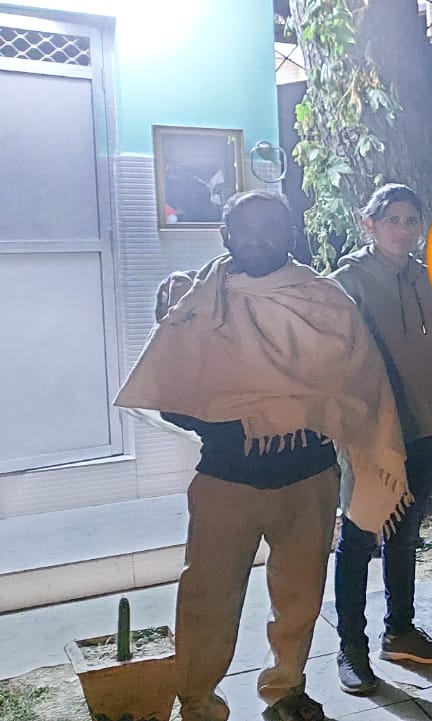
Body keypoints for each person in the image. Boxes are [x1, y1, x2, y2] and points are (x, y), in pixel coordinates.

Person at [115, 190, 409, 721]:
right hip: (226, 477)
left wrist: (273, 405)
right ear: (225, 234)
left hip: (308, 475)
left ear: (291, 234)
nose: (256, 238)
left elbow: (359, 389)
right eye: (243, 228)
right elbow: (174, 395)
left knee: (300, 596)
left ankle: (286, 689)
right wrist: (239, 413)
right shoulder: (198, 302)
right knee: (207, 597)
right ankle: (198, 701)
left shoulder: (325, 302)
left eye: (269, 226)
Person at [329, 183, 432, 696]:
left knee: (405, 535)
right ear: (369, 224)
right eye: (392, 220)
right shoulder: (348, 281)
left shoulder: (430, 278)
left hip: (426, 424)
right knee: (360, 537)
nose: (402, 230)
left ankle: (399, 631)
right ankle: (351, 648)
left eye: (411, 221)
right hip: (371, 432)